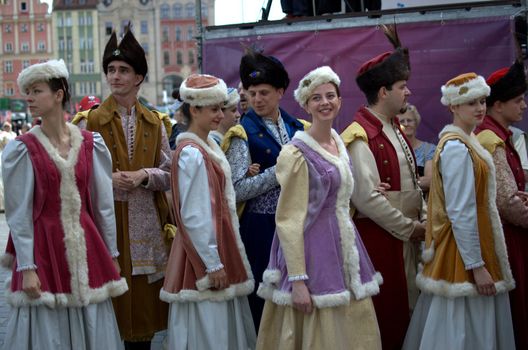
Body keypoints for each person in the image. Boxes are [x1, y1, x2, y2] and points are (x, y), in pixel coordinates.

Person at [1, 59, 127, 350]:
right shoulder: (23, 149)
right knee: (49, 331)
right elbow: (18, 214)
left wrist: (112, 253)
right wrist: (28, 267)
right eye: (27, 91)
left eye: (37, 91)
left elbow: (103, 206)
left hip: (87, 247)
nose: (29, 98)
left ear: (58, 95)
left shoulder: (89, 143)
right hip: (44, 249)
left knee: (92, 324)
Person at [257, 66, 382, 349]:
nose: (325, 102)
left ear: (339, 100)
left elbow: (340, 197)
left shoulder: (338, 143)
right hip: (313, 251)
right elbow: (289, 219)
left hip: (345, 246)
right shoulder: (297, 154)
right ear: (306, 104)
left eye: (330, 96)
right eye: (316, 98)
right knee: (320, 330)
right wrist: (299, 280)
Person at [72, 27, 171, 350]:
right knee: (106, 312)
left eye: (123, 71)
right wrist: (107, 179)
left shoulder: (156, 122)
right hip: (105, 225)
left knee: (142, 312)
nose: (115, 76)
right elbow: (72, 175)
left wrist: (145, 174)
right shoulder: (90, 122)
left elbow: (170, 173)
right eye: (111, 70)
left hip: (145, 225)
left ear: (139, 77)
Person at [404, 72, 515, 350]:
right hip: (462, 254)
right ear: (453, 106)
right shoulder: (456, 147)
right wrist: (476, 266)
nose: (479, 108)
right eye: (470, 103)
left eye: (481, 101)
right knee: (462, 328)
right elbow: (460, 211)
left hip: (473, 247)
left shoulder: (467, 142)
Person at [340, 25, 426, 350]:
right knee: (387, 319)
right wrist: (410, 228)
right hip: (381, 242)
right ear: (383, 92)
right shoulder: (359, 135)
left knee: (408, 316)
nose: (409, 93)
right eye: (403, 87)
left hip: (403, 239)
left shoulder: (392, 127)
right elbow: (365, 199)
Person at [160, 74, 256, 349]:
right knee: (209, 329)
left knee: (216, 327)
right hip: (203, 254)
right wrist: (212, 263)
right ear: (194, 110)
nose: (220, 114)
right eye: (214, 108)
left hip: (213, 247)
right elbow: (194, 214)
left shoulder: (206, 147)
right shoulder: (192, 153)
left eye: (220, 108)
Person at [225, 48, 306, 330]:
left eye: (264, 92)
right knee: (265, 309)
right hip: (261, 231)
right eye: (251, 92)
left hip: (299, 227)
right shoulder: (240, 133)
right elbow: (235, 190)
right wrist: (279, 171)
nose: (256, 99)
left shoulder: (300, 128)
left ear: (281, 91)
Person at [474, 61, 528, 350]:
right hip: (507, 240)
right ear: (498, 104)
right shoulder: (490, 140)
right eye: (518, 100)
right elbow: (506, 202)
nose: (524, 106)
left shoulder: (498, 136)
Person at [398, 105, 436, 193]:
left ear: (416, 122)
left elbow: (430, 181)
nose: (406, 124)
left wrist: (402, 184)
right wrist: (418, 181)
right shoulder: (392, 149)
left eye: (410, 120)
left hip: (422, 204)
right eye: (402, 121)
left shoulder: (428, 149)